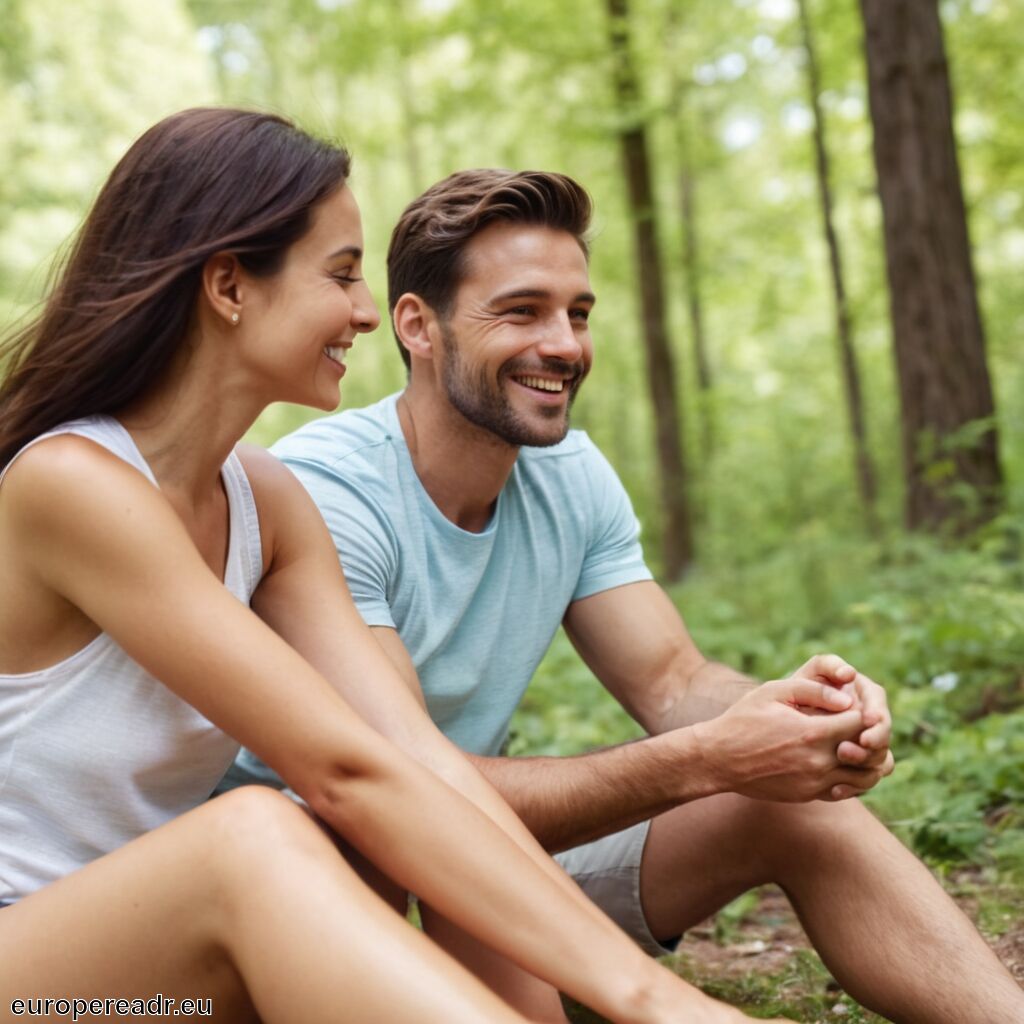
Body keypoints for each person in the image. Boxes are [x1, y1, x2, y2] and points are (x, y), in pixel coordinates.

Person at [0, 110, 793, 1024]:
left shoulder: (268, 500)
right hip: (43, 983)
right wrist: (653, 1003)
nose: (368, 312)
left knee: (388, 827)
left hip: (154, 984)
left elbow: (412, 763)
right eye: (340, 275)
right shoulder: (72, 485)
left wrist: (636, 991)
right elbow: (341, 767)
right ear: (228, 285)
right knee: (259, 831)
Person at [242, 168, 1024, 1024]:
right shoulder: (326, 493)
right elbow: (397, 788)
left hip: (489, 865)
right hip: (323, 880)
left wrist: (787, 713)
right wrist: (708, 756)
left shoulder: (569, 470)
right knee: (407, 854)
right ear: (417, 327)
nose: (566, 345)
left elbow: (673, 682)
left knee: (792, 807)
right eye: (521, 311)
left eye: (577, 313)